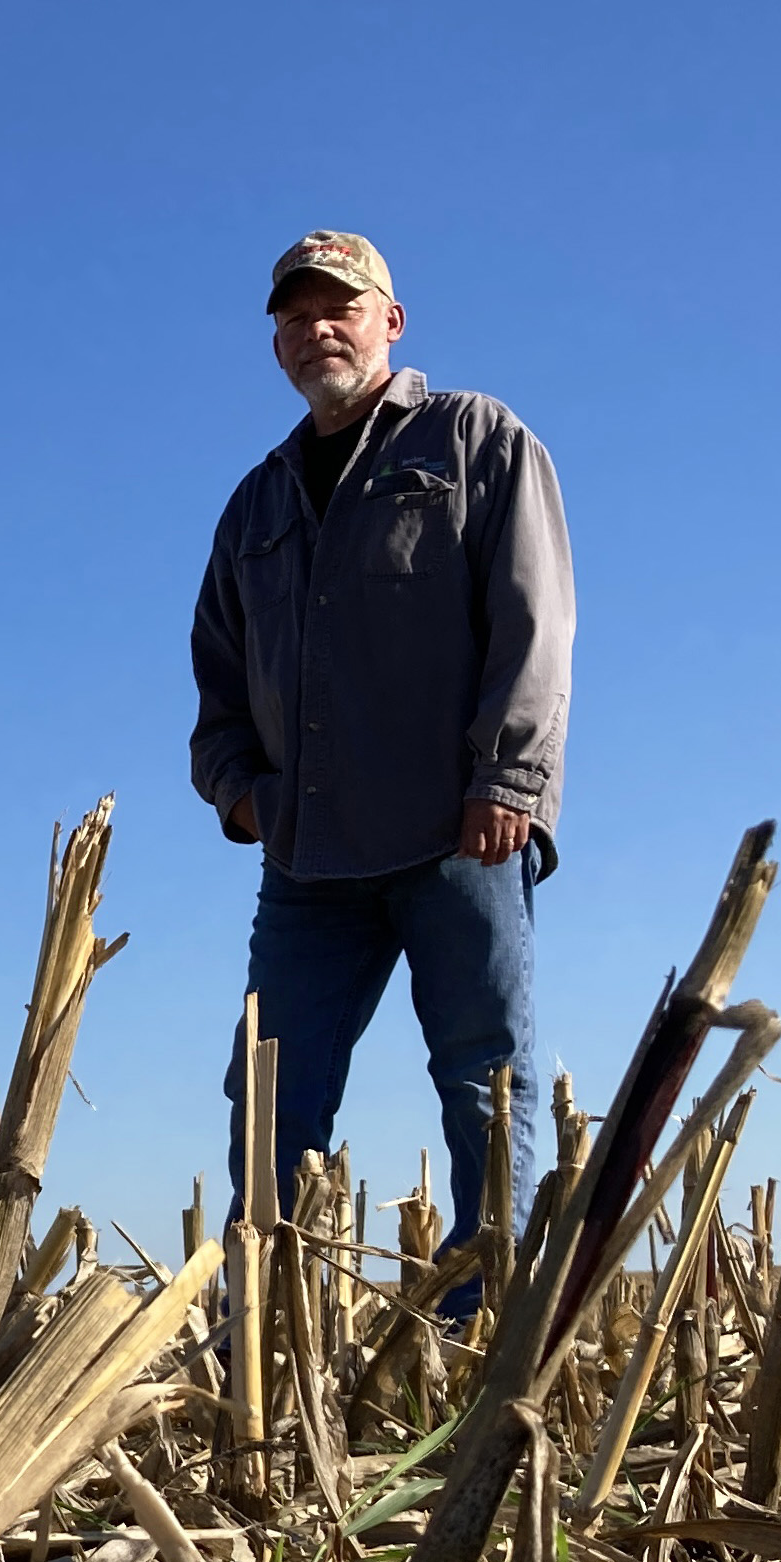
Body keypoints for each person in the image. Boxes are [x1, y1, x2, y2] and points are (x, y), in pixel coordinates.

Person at [188, 231, 573, 1294]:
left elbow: (534, 623)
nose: (319, 328)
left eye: (341, 307)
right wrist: (244, 800)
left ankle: (486, 1328)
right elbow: (216, 691)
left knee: (487, 1088)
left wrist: (510, 781)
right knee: (273, 1101)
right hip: (309, 867)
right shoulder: (254, 505)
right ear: (275, 344)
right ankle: (263, 1330)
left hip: (458, 837)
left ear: (389, 322)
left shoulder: (473, 441)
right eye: (296, 314)